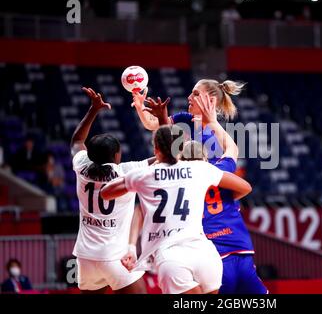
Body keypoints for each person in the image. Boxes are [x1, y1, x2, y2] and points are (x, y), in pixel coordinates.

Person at [131, 83, 268, 294]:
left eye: (195, 94)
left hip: (207, 207)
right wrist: (140, 107)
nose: (189, 96)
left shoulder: (214, 135)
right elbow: (154, 127)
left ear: (210, 100)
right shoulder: (186, 120)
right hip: (206, 208)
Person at [101, 125, 253, 294]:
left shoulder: (144, 174)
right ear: (181, 148)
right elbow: (245, 186)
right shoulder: (200, 169)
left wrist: (133, 182)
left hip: (171, 257)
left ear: (156, 149)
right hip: (205, 253)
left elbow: (106, 193)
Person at [71, 87, 151, 294]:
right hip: (115, 256)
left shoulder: (81, 166)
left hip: (86, 257)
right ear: (116, 155)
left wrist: (93, 110)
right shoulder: (126, 172)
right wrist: (161, 119)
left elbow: (77, 141)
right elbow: (164, 157)